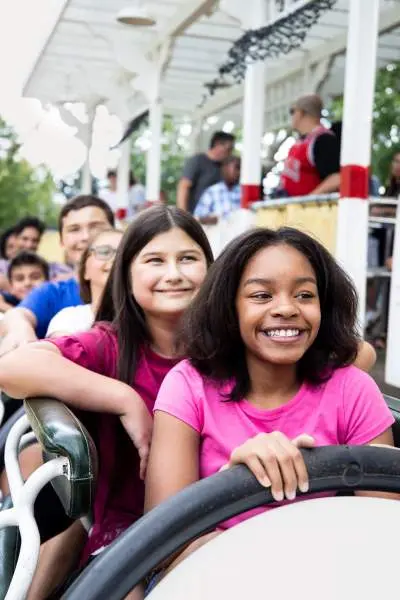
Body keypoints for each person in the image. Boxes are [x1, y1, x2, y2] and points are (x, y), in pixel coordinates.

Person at [145, 226, 395, 580]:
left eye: (305, 295)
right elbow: (160, 541)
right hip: (217, 577)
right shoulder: (189, 385)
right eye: (262, 296)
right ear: (229, 308)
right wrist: (231, 483)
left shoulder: (353, 389)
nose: (286, 309)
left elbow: (384, 528)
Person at [0, 205, 214, 599]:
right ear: (127, 275)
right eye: (155, 260)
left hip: (228, 522)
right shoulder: (109, 345)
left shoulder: (232, 346)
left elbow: (355, 354)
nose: (174, 274)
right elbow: (12, 368)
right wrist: (123, 397)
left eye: (188, 258)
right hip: (131, 535)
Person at [0, 195, 115, 354]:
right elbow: (18, 315)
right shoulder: (52, 292)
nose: (86, 237)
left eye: (96, 226)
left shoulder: (138, 288)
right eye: (74, 229)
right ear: (62, 241)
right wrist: (20, 330)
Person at [46, 228, 123, 336]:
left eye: (123, 254)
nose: (115, 259)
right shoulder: (70, 319)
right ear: (85, 270)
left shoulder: (148, 318)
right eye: (104, 252)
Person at [272, 94, 340, 198]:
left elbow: (337, 177)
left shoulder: (323, 140)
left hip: (311, 210)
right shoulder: (303, 141)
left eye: (292, 111)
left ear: (301, 113)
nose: (292, 116)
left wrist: (308, 199)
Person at [177, 131, 235, 214]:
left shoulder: (225, 166)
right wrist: (183, 215)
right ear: (217, 144)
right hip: (197, 216)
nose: (230, 153)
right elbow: (183, 186)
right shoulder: (197, 161)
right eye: (228, 149)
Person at [194, 156, 241, 224]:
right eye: (237, 168)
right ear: (225, 169)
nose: (238, 172)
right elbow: (197, 218)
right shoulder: (212, 192)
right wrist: (215, 220)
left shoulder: (243, 192)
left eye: (240, 169)